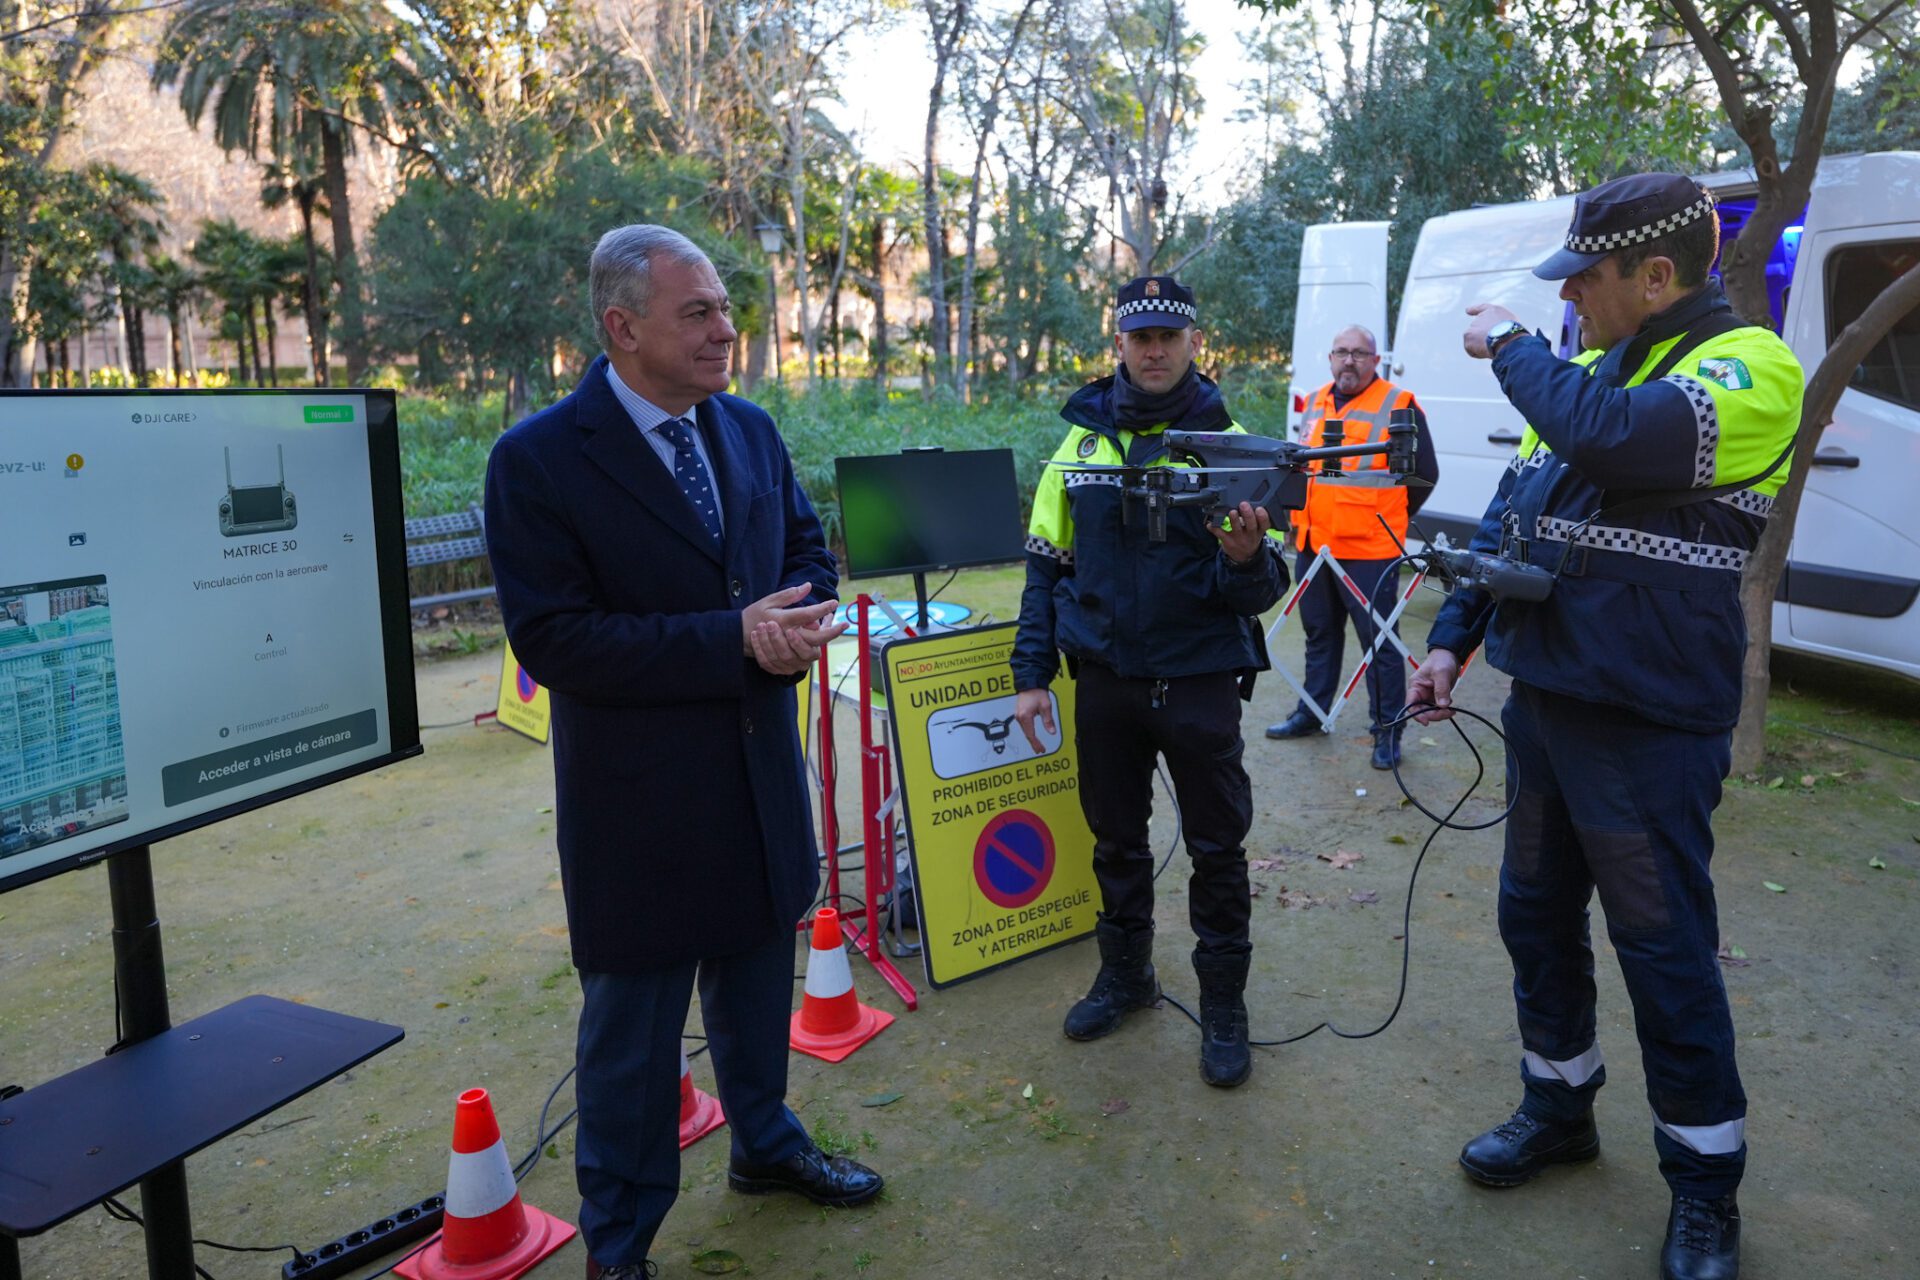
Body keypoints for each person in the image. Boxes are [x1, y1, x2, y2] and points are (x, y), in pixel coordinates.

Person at [1408, 174, 1801, 1280]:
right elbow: (1515, 513)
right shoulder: (1590, 370)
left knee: (1664, 950)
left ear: (1656, 277)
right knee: (1534, 919)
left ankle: (1706, 1189)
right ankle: (1559, 1104)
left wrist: (1514, 346)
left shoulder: (1748, 370)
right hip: (1547, 707)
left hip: (1648, 724)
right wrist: (1452, 638)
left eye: (1584, 280)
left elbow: (1619, 441)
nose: (1572, 299)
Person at [484, 224, 882, 1280]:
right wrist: (732, 637)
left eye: (723, 308)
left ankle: (766, 1143)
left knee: (757, 989)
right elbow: (554, 637)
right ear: (622, 327)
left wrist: (803, 618)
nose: (726, 329)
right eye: (697, 311)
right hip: (640, 810)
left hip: (757, 779)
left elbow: (803, 547)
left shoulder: (745, 429)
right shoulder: (536, 461)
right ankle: (619, 1241)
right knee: (632, 1041)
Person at [1011, 276, 1289, 1089]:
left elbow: (1261, 592)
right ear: (1121, 345)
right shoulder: (1079, 444)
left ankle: (1225, 1008)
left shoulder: (1232, 442)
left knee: (1217, 848)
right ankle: (1128, 979)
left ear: (1194, 341)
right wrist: (1032, 676)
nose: (1156, 350)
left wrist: (1246, 559)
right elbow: (1042, 571)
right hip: (1105, 681)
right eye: (1142, 337)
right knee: (1115, 843)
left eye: (1170, 335)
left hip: (1198, 681)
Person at [1263, 325, 1439, 768]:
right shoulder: (1317, 400)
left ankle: (1387, 731)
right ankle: (1312, 712)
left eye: (1359, 353)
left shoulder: (1399, 404)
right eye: (1341, 351)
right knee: (1319, 636)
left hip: (1369, 549)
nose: (1349, 360)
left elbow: (1426, 474)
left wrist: (1384, 514)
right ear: (1329, 357)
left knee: (1379, 644)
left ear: (1375, 361)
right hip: (1314, 544)